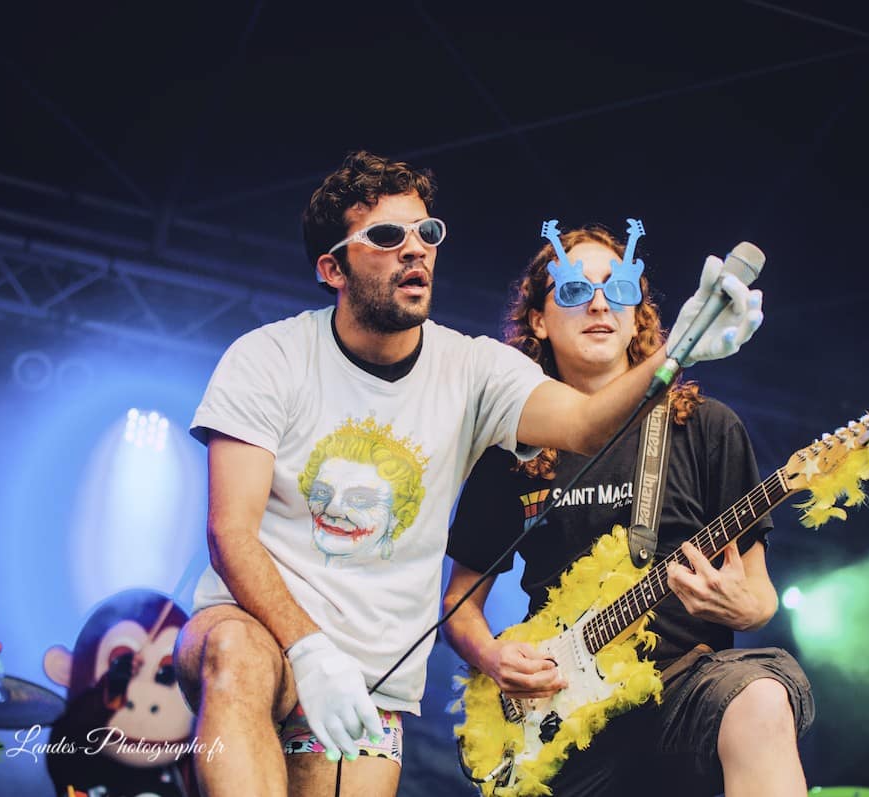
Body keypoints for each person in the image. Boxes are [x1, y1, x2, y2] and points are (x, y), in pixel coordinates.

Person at [172, 150, 764, 797]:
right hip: (260, 631)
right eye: (387, 236)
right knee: (237, 655)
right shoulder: (269, 357)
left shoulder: (475, 370)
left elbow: (587, 424)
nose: (415, 249)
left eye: (426, 232)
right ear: (332, 267)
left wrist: (676, 351)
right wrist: (307, 649)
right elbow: (230, 533)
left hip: (371, 680)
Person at [444, 222, 813, 796]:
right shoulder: (514, 449)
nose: (599, 304)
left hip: (685, 687)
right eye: (573, 290)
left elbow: (760, 594)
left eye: (618, 288)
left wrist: (743, 607)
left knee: (763, 699)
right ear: (538, 320)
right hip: (564, 711)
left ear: (637, 313)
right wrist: (493, 657)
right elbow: (459, 606)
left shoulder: (707, 427)